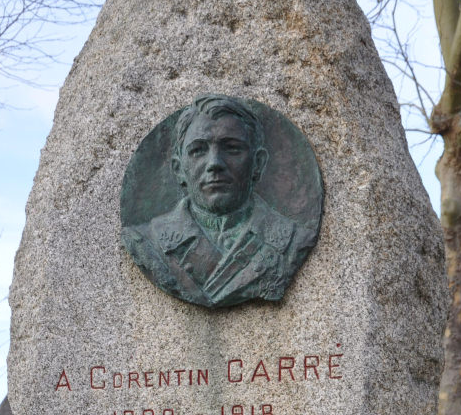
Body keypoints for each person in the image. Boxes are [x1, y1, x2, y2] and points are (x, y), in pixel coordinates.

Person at [122, 95, 319, 308]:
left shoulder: (293, 241)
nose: (214, 163)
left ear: (258, 163)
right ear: (179, 170)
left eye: (232, 148)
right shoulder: (146, 242)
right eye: (198, 150)